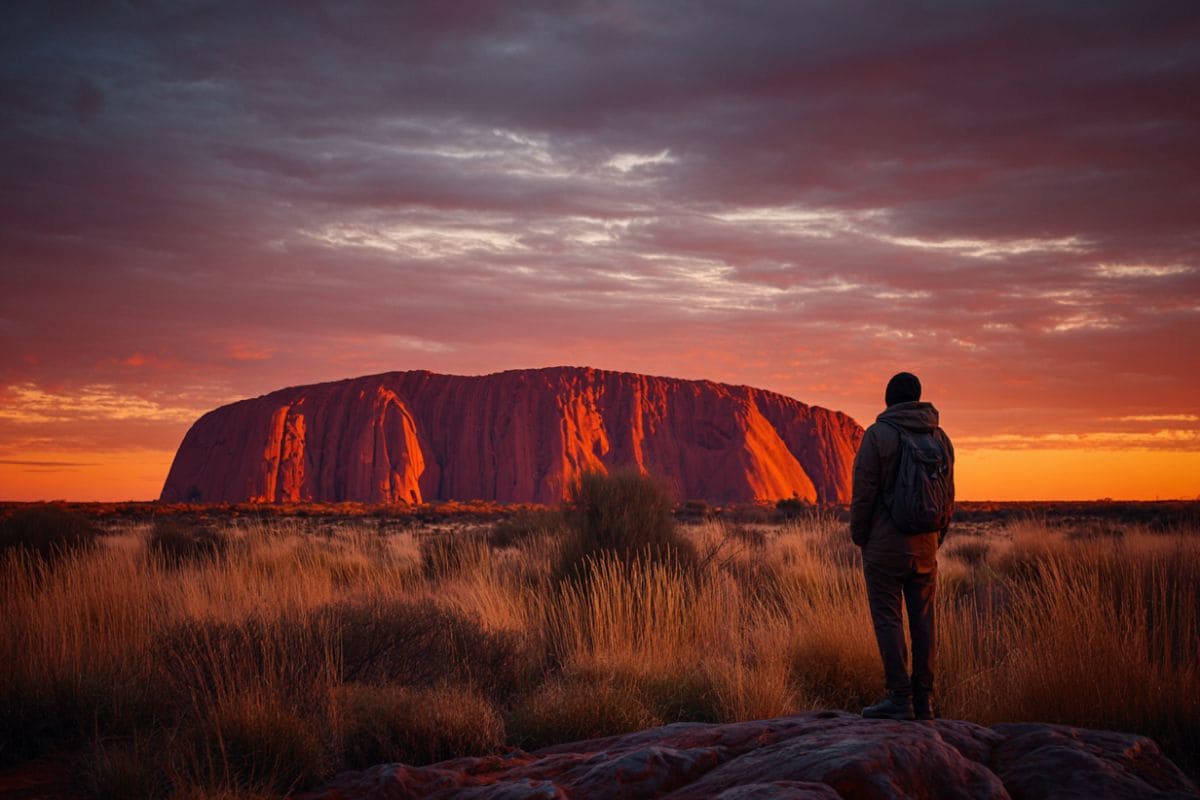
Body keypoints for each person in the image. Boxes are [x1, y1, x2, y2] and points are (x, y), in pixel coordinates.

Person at [850, 371, 954, 721]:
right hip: (925, 547)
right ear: (918, 398)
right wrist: (937, 538)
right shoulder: (940, 438)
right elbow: (948, 497)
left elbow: (863, 493)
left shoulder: (878, 435)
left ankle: (899, 698)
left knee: (888, 618)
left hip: (884, 546)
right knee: (924, 620)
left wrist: (860, 535)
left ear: (887, 400)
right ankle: (925, 701)